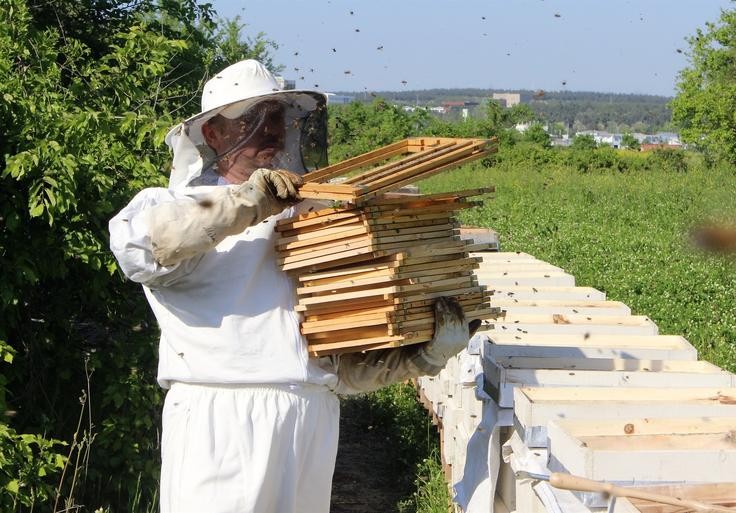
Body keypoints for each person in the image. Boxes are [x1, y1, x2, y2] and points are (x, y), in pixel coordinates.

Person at [109, 59, 477, 513]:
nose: (270, 131)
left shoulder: (315, 223)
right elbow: (141, 249)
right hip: (222, 421)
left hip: (311, 418)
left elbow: (334, 369)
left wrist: (423, 355)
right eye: (251, 120)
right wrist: (250, 200)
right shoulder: (169, 206)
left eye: (278, 119)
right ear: (213, 135)